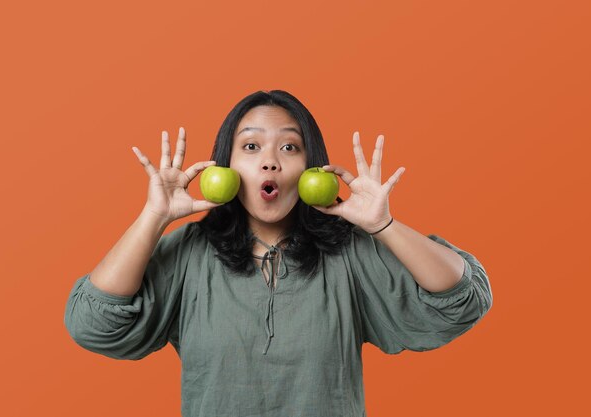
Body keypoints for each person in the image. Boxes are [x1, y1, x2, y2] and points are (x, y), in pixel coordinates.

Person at [64, 90, 493, 416]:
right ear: (224, 167)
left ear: (312, 168)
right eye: (251, 147)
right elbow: (92, 322)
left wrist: (383, 226)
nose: (270, 162)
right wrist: (153, 218)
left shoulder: (348, 253)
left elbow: (463, 299)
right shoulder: (190, 252)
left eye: (289, 147)